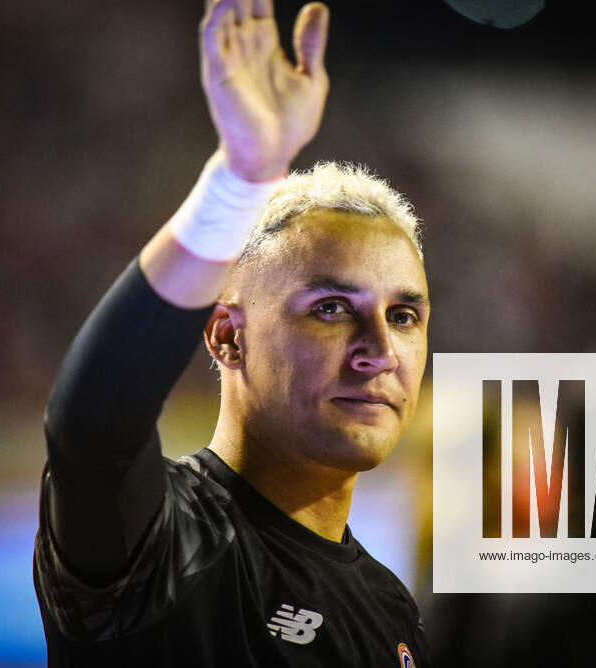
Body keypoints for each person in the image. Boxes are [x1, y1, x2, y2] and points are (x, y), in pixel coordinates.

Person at [32, 0, 432, 664]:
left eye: (403, 316)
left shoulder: (389, 603)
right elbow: (91, 426)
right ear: (227, 337)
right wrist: (239, 183)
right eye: (332, 309)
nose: (381, 353)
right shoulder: (164, 548)